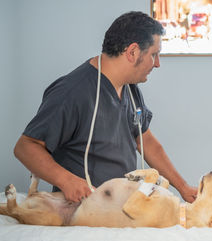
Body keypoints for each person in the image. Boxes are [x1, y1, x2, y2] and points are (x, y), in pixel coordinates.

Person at [13, 11, 197, 203]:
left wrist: (183, 188)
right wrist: (66, 180)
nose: (157, 64)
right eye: (154, 55)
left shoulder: (130, 89)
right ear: (133, 52)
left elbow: (145, 141)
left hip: (122, 207)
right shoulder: (73, 92)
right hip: (86, 210)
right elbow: (25, 147)